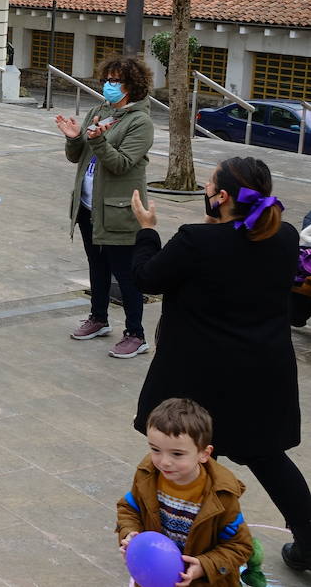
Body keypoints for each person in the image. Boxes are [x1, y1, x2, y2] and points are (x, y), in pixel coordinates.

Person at [129, 157, 311, 571]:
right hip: (261, 373)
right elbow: (238, 254)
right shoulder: (282, 236)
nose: (206, 192)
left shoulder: (196, 241)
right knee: (269, 458)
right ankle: (308, 541)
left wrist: (147, 230)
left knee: (178, 455)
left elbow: (147, 278)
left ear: (223, 196)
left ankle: (173, 538)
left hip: (198, 376)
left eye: (209, 186)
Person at [55, 54, 154, 359]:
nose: (109, 85)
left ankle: (136, 335)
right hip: (89, 206)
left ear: (132, 85)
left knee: (125, 274)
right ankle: (99, 318)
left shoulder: (141, 122)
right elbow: (78, 156)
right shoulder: (99, 111)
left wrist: (98, 141)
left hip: (119, 210)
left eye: (116, 80)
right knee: (97, 266)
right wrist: (74, 139)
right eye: (107, 80)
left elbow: (122, 164)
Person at [116, 398, 253, 587]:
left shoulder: (221, 496)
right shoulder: (147, 476)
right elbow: (129, 509)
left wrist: (205, 566)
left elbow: (240, 546)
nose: (164, 462)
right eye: (155, 449)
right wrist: (130, 534)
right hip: (155, 578)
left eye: (177, 454)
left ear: (204, 453)